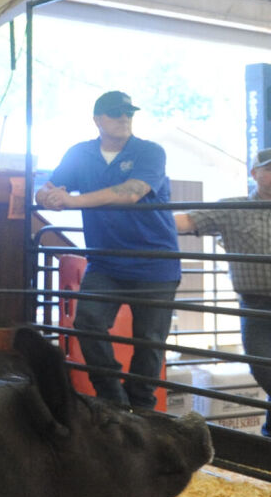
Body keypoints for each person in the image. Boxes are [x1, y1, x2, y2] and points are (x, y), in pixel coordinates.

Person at [33, 90, 180, 410]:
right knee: (88, 321)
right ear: (98, 120)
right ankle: (112, 396)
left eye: (129, 113)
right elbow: (51, 185)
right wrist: (48, 196)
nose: (124, 118)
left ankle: (140, 407)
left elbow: (132, 192)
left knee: (149, 342)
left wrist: (71, 200)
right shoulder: (79, 153)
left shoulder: (150, 151)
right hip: (106, 261)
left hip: (154, 260)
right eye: (116, 113)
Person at [175, 148, 271, 446]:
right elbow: (188, 221)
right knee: (268, 372)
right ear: (254, 174)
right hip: (257, 305)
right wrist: (142, 216)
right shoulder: (232, 208)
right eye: (270, 169)